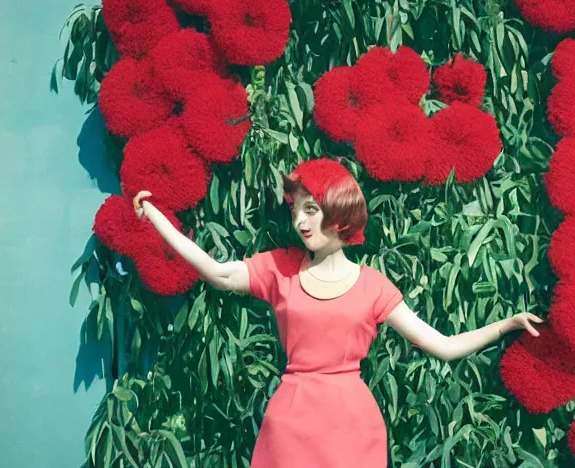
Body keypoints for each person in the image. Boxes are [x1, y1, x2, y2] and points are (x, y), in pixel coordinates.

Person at [132, 157, 543, 468]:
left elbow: (445, 346)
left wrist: (508, 324)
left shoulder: (373, 287)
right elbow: (218, 272)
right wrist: (155, 217)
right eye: (295, 209)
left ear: (340, 210)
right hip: (290, 425)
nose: (299, 220)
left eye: (311, 208)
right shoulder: (280, 268)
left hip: (352, 428)